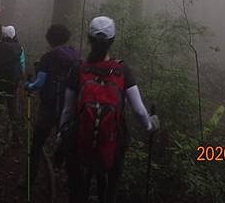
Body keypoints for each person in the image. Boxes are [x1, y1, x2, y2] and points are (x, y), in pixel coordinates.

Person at [58, 16, 159, 203]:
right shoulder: (121, 70)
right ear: (112, 41)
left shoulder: (79, 69)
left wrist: (62, 133)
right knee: (110, 191)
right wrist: (150, 125)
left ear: (89, 38)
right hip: (114, 141)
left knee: (77, 191)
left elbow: (67, 110)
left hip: (80, 140)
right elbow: (138, 110)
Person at [25, 24, 79, 183]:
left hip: (49, 107)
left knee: (36, 144)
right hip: (69, 109)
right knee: (68, 143)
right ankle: (65, 175)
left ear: (50, 39)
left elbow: (39, 83)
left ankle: (30, 179)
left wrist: (28, 86)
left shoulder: (48, 57)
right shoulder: (75, 56)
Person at [0, 24, 23, 144]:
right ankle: (16, 137)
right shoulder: (19, 48)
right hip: (12, 85)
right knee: (13, 110)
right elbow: (21, 68)